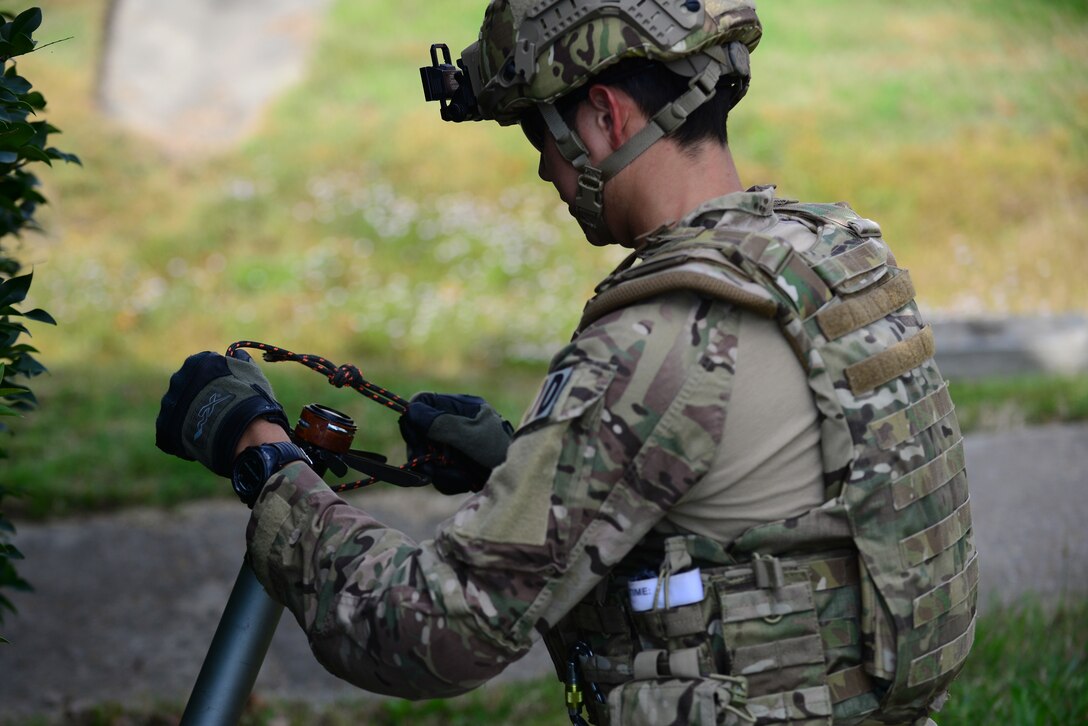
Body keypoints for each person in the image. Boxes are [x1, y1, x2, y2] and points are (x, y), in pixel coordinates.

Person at [157, 2, 978, 724]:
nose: (542, 166)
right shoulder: (828, 262)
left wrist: (261, 457)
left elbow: (429, 630)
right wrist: (514, 465)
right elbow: (753, 521)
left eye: (536, 132)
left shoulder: (658, 339)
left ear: (605, 116)